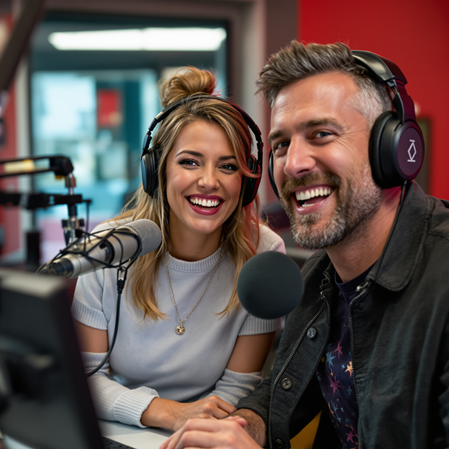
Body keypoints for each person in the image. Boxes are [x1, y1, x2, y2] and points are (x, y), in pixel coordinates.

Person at [161, 42, 449, 448]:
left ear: (393, 149)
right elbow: (281, 391)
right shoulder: (320, 276)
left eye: (321, 134)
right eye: (281, 144)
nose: (293, 163)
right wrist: (240, 428)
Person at [71, 67, 285, 431]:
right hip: (119, 429)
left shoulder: (262, 254)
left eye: (227, 166)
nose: (209, 181)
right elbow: (85, 379)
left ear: (246, 181)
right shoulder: (110, 248)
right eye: (190, 162)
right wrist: (167, 413)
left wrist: (192, 429)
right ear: (157, 170)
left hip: (208, 433)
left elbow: (239, 387)